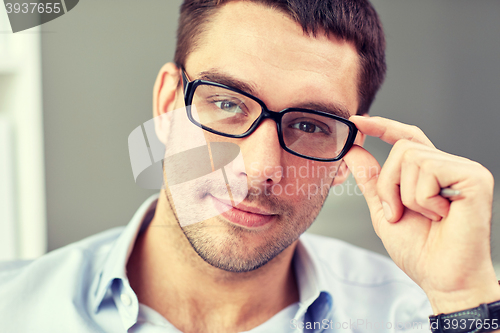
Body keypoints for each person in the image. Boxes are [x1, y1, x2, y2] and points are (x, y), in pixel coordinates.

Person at [1, 0, 499, 332]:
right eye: (228, 103)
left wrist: (464, 297)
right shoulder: (14, 308)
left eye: (310, 125)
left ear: (349, 153)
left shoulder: (427, 316)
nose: (260, 167)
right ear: (168, 102)